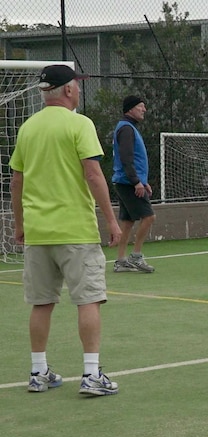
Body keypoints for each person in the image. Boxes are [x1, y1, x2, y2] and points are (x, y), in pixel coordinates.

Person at [9, 64, 122, 396]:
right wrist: (111, 220)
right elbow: (93, 174)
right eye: (77, 85)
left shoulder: (27, 128)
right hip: (76, 232)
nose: (79, 89)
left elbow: (17, 181)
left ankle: (38, 371)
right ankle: (90, 375)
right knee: (88, 300)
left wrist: (19, 223)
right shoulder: (80, 124)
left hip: (39, 232)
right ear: (68, 90)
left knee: (41, 303)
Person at [112, 95, 156, 273]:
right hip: (128, 182)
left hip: (127, 181)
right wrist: (136, 181)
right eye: (141, 106)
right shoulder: (127, 129)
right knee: (149, 216)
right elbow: (126, 158)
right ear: (130, 109)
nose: (144, 109)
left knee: (128, 221)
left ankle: (120, 260)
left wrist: (142, 182)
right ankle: (136, 257)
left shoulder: (128, 128)